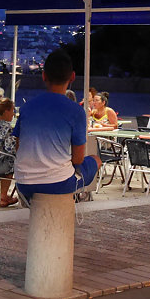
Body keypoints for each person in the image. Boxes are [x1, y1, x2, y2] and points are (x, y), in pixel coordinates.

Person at [13, 50, 100, 203]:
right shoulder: (76, 111)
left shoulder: (27, 108)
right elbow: (78, 158)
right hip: (58, 183)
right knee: (95, 160)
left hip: (23, 183)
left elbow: (19, 147)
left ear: (44, 76)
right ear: (72, 77)